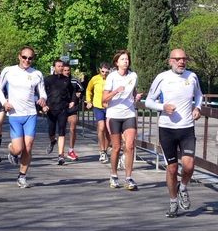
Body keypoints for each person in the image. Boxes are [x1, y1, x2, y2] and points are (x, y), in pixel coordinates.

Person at [145, 49, 203, 218]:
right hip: (167, 129)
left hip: (186, 129)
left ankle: (183, 188)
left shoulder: (192, 77)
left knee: (189, 166)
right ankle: (172, 202)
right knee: (172, 169)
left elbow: (199, 95)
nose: (181, 62)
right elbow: (149, 101)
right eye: (177, 59)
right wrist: (163, 107)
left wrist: (197, 107)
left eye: (184, 59)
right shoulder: (162, 78)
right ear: (170, 61)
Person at [0, 47, 47, 188]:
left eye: (30, 58)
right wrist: (5, 103)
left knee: (28, 148)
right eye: (24, 57)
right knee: (18, 148)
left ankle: (22, 176)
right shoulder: (9, 71)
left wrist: (42, 99)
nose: (27, 60)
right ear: (19, 57)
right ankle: (12, 151)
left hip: (30, 114)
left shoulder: (37, 74)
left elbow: (42, 92)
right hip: (15, 115)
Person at [102, 50, 143, 190]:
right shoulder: (112, 77)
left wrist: (137, 97)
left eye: (127, 59)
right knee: (117, 147)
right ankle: (114, 175)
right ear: (116, 62)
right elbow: (104, 99)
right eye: (122, 59)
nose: (125, 61)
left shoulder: (133, 76)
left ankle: (128, 178)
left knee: (130, 145)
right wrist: (115, 92)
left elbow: (133, 92)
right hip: (114, 115)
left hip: (129, 114)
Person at [43, 60, 76, 165]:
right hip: (51, 109)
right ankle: (53, 141)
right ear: (54, 67)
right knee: (51, 131)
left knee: (62, 130)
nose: (61, 68)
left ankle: (60, 155)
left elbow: (73, 91)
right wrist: (43, 105)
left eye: (62, 66)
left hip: (63, 109)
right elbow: (40, 92)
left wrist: (73, 101)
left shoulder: (67, 80)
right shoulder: (48, 80)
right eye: (59, 66)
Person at [86, 62, 111, 163]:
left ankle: (105, 149)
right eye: (103, 71)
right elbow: (88, 90)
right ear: (99, 70)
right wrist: (89, 101)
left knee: (108, 130)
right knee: (101, 128)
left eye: (106, 72)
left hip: (109, 107)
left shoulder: (111, 78)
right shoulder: (95, 79)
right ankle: (102, 150)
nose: (104, 73)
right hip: (98, 106)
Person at [62, 64, 85, 161]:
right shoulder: (58, 81)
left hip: (72, 107)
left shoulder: (74, 80)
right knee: (62, 130)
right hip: (62, 108)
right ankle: (61, 151)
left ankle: (71, 150)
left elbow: (82, 89)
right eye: (65, 70)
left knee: (73, 128)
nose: (67, 72)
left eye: (68, 70)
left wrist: (79, 94)